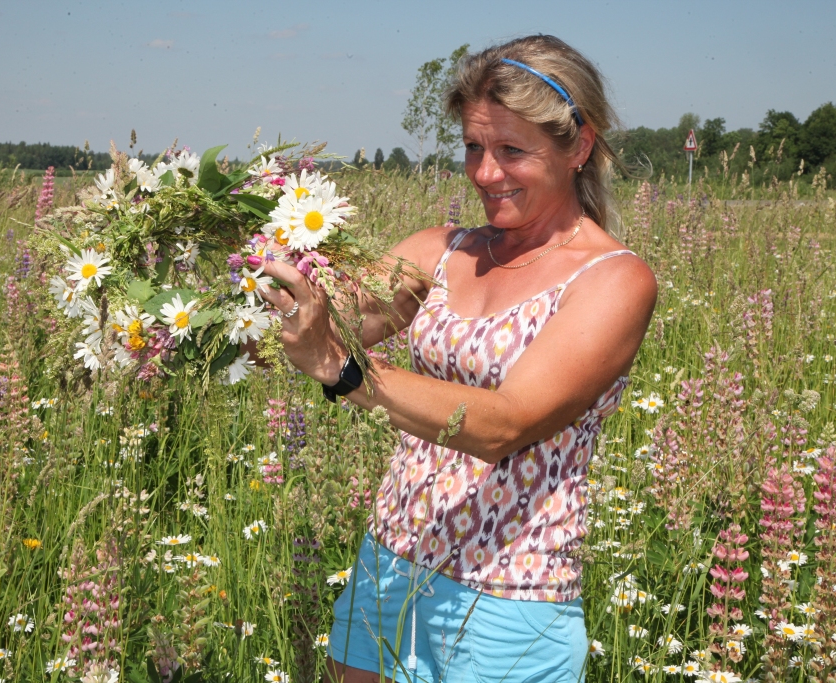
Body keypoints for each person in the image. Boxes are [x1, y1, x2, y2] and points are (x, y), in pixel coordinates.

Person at [260, 34, 657, 683]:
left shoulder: (613, 281)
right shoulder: (443, 250)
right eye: (474, 146)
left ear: (578, 146)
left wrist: (345, 370)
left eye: (511, 150)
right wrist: (209, 295)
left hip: (507, 601)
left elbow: (505, 422)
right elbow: (317, 315)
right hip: (390, 564)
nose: (484, 172)